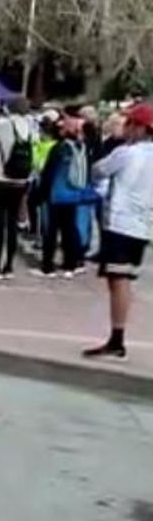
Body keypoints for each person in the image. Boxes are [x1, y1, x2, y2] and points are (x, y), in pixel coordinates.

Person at [83, 102, 153, 361]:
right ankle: (116, 335)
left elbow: (99, 169)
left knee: (119, 280)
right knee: (119, 279)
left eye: (129, 124)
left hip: (120, 223)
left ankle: (117, 338)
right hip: (142, 224)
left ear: (139, 128)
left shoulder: (127, 153)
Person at [0, 97, 37, 279]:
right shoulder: (32, 127)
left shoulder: (3, 125)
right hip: (22, 179)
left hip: (1, 177)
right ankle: (9, 266)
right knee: (12, 223)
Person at [33, 116, 96, 279]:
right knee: (70, 230)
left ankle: (48, 266)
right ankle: (70, 264)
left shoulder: (58, 149)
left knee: (51, 231)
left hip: (56, 195)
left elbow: (49, 173)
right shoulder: (82, 148)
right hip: (74, 195)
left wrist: (40, 194)